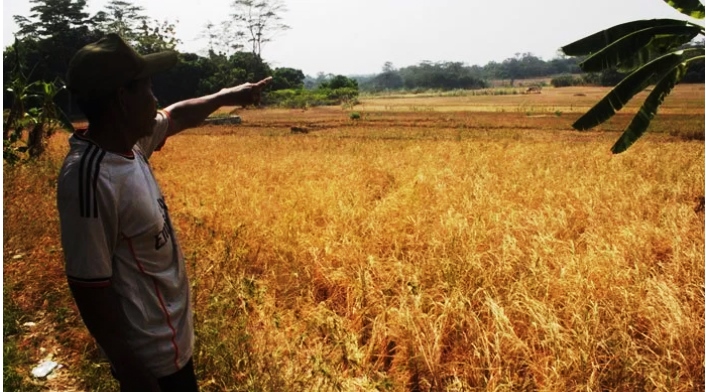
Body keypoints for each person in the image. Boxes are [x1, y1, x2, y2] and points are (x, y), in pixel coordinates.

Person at [56, 33, 270, 391]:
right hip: (150, 364)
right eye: (148, 88)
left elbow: (176, 115)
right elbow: (89, 287)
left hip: (173, 347)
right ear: (123, 98)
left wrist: (228, 96)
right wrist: (132, 372)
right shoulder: (90, 179)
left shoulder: (131, 143)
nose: (156, 99)